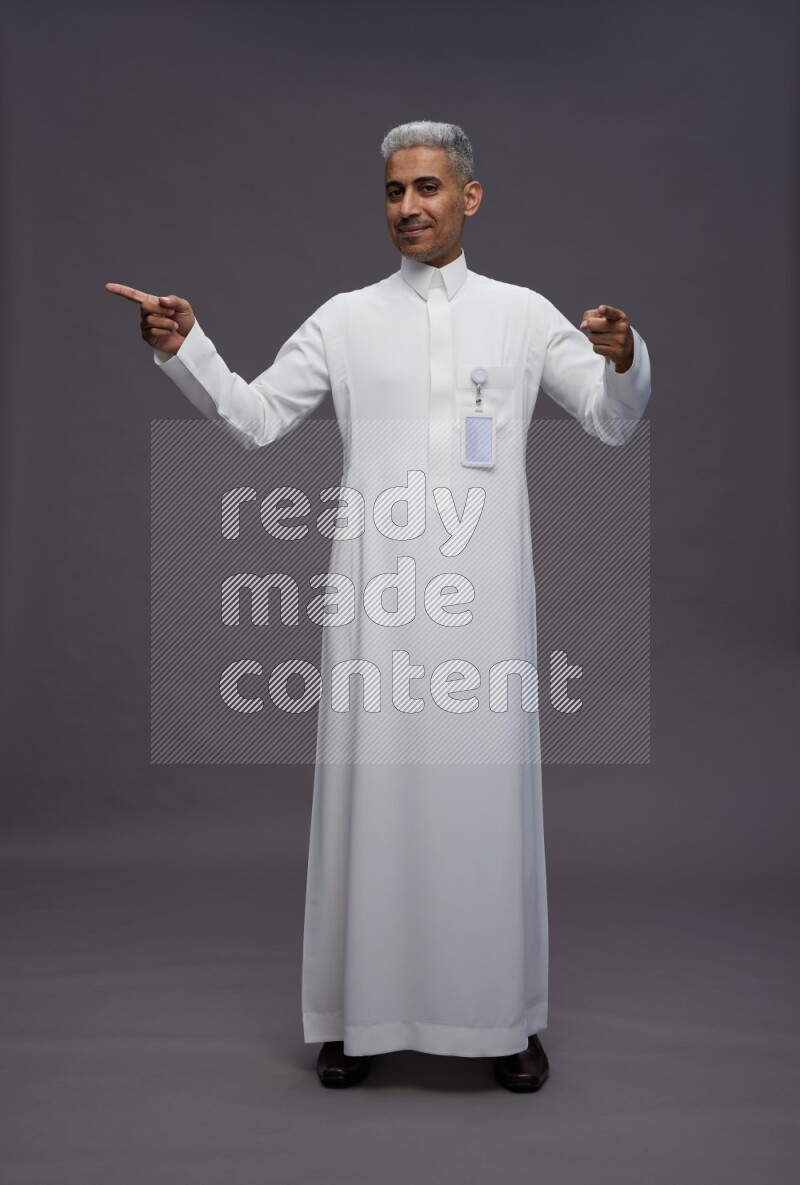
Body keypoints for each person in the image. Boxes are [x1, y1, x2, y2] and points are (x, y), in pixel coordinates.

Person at [106, 120, 651, 1093]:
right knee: (371, 798)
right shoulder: (346, 320)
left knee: (485, 806)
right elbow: (257, 418)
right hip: (375, 600)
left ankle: (504, 1020)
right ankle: (356, 1018)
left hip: (486, 608)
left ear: (469, 197)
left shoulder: (522, 318)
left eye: (429, 188)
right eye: (395, 190)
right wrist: (186, 348)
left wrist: (620, 355)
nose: (409, 207)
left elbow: (611, 421)